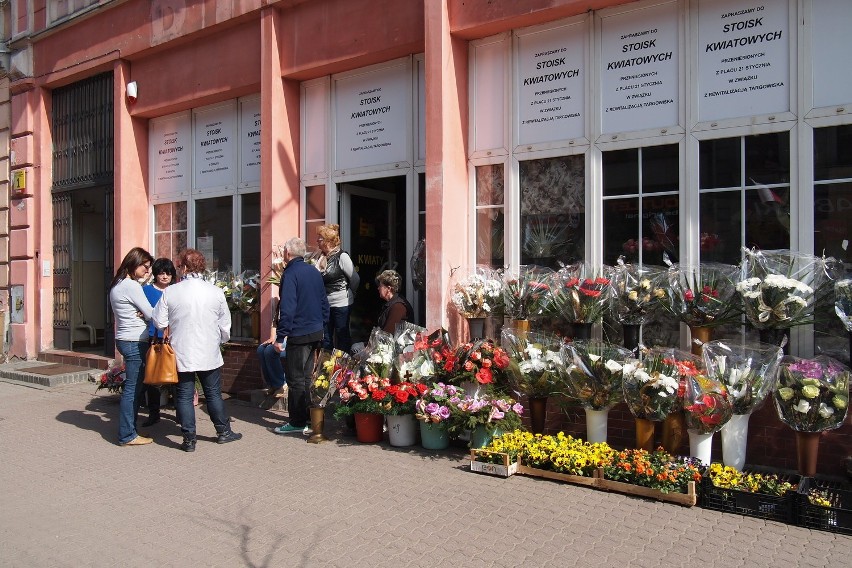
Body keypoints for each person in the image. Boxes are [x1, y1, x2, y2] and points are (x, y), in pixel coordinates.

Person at [152, 249, 242, 452]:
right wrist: (218, 340)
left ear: (183, 267)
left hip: (182, 349)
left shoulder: (171, 291)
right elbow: (225, 326)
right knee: (213, 394)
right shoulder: (215, 291)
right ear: (203, 267)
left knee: (184, 396)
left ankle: (189, 439)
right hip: (208, 349)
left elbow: (158, 321)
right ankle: (223, 432)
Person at [272, 237, 329, 434]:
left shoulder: (290, 274)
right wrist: (323, 326)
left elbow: (287, 308)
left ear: (287, 253)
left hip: (299, 332)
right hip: (315, 331)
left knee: (296, 379)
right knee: (306, 379)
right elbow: (324, 302)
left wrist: (280, 337)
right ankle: (307, 419)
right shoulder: (313, 271)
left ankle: (297, 422)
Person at [108, 247, 155, 446]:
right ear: (134, 263)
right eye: (145, 267)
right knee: (133, 389)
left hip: (125, 338)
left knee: (133, 387)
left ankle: (130, 429)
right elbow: (152, 313)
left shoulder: (118, 283)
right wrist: (145, 313)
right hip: (134, 340)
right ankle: (127, 434)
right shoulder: (131, 286)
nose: (147, 271)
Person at [141, 258, 178, 427]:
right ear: (155, 274)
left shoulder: (177, 290)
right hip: (153, 338)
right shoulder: (146, 291)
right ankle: (154, 412)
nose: (164, 276)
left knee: (178, 376)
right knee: (153, 376)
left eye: (168, 273)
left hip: (175, 339)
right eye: (161, 273)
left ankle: (180, 411)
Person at [314, 224, 359, 354]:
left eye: (320, 238)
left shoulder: (342, 256)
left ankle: (343, 369)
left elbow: (355, 279)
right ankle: (326, 369)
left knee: (342, 335)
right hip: (325, 304)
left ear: (328, 241)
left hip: (342, 303)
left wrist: (351, 293)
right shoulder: (319, 258)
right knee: (326, 338)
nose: (317, 241)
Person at [257, 297, 288, 397]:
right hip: (279, 338)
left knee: (270, 351)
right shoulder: (280, 303)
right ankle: (271, 384)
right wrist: (271, 338)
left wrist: (281, 339)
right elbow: (274, 323)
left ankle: (281, 383)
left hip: (291, 340)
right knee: (261, 349)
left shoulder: (294, 302)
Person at [376, 269, 414, 334]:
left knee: (357, 344)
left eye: (380, 286)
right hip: (386, 342)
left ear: (388, 288)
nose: (378, 288)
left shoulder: (398, 307)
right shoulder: (392, 304)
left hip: (394, 344)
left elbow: (387, 334)